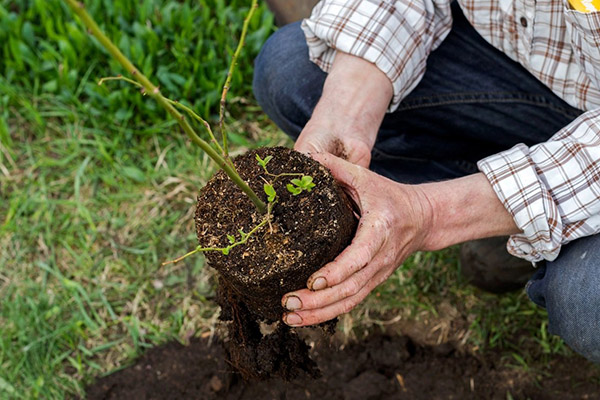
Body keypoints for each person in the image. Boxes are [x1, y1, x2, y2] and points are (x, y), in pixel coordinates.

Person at [252, 0, 600, 363]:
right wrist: (344, 116)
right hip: (540, 75)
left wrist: (431, 213)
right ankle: (517, 217)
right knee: (291, 73)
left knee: (588, 302)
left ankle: (519, 218)